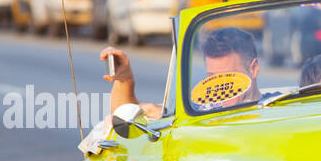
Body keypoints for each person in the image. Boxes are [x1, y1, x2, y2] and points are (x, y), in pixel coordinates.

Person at [103, 25, 262, 115]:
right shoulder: (198, 112)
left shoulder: (279, 107)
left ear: (253, 69)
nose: (219, 87)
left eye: (229, 78)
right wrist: (124, 80)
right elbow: (124, 114)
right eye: (212, 78)